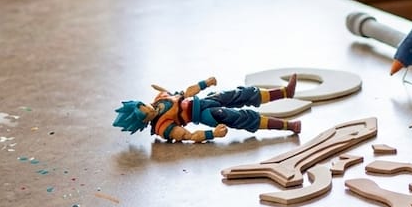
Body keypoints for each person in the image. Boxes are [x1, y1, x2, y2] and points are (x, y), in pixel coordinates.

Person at [113, 75, 301, 142]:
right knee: (245, 117)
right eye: (145, 115)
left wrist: (205, 83)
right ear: (143, 122)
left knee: (244, 93)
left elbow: (185, 93)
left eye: (143, 106)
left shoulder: (160, 99)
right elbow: (188, 136)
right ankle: (289, 126)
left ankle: (285, 92)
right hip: (206, 115)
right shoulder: (162, 126)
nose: (148, 110)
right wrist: (213, 134)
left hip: (206, 100)